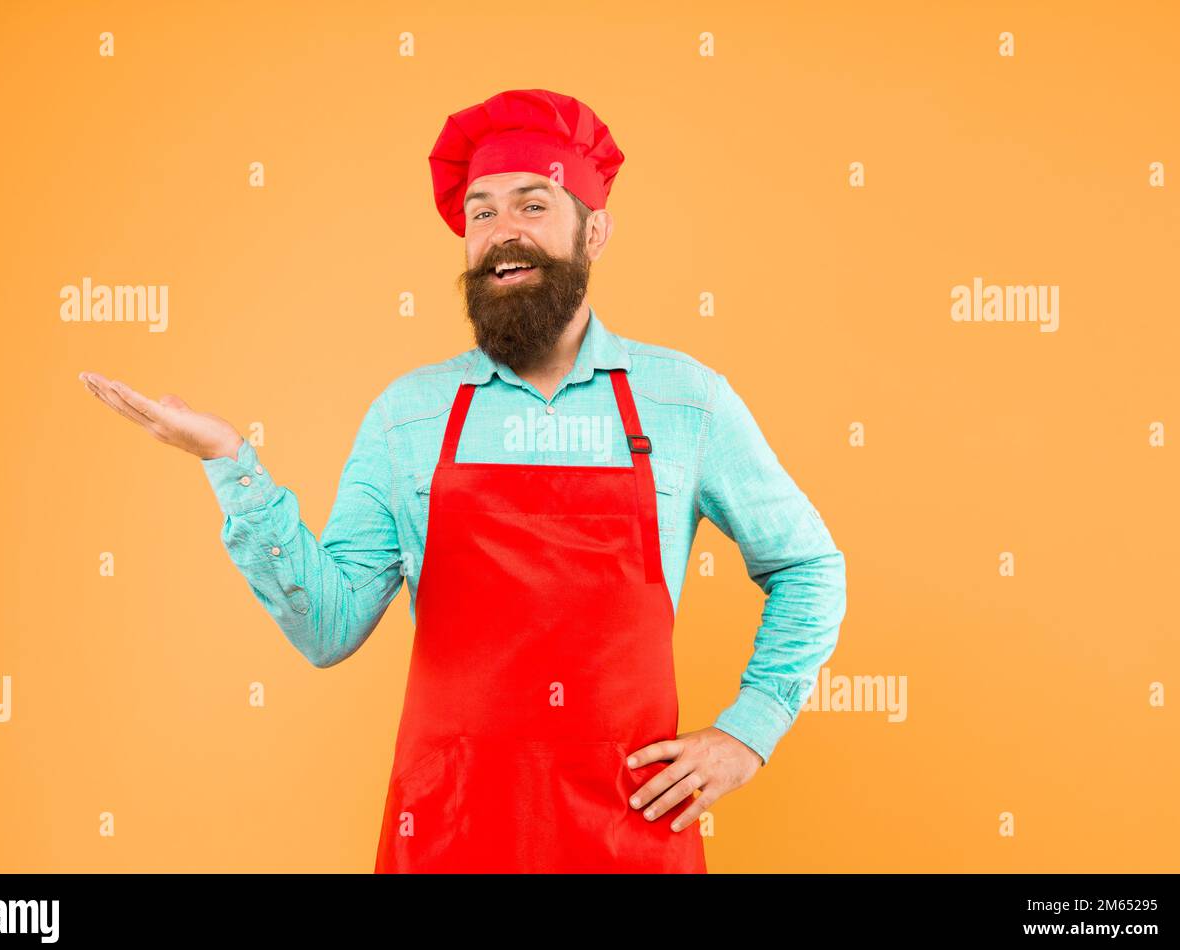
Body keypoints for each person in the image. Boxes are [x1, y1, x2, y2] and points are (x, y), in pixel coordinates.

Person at [79, 88, 847, 874]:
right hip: (447, 832)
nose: (502, 232)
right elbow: (328, 628)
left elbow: (809, 565)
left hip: (627, 828)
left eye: (533, 203)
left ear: (596, 229)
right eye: (480, 212)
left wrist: (751, 728)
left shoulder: (685, 400)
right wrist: (230, 464)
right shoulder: (408, 415)